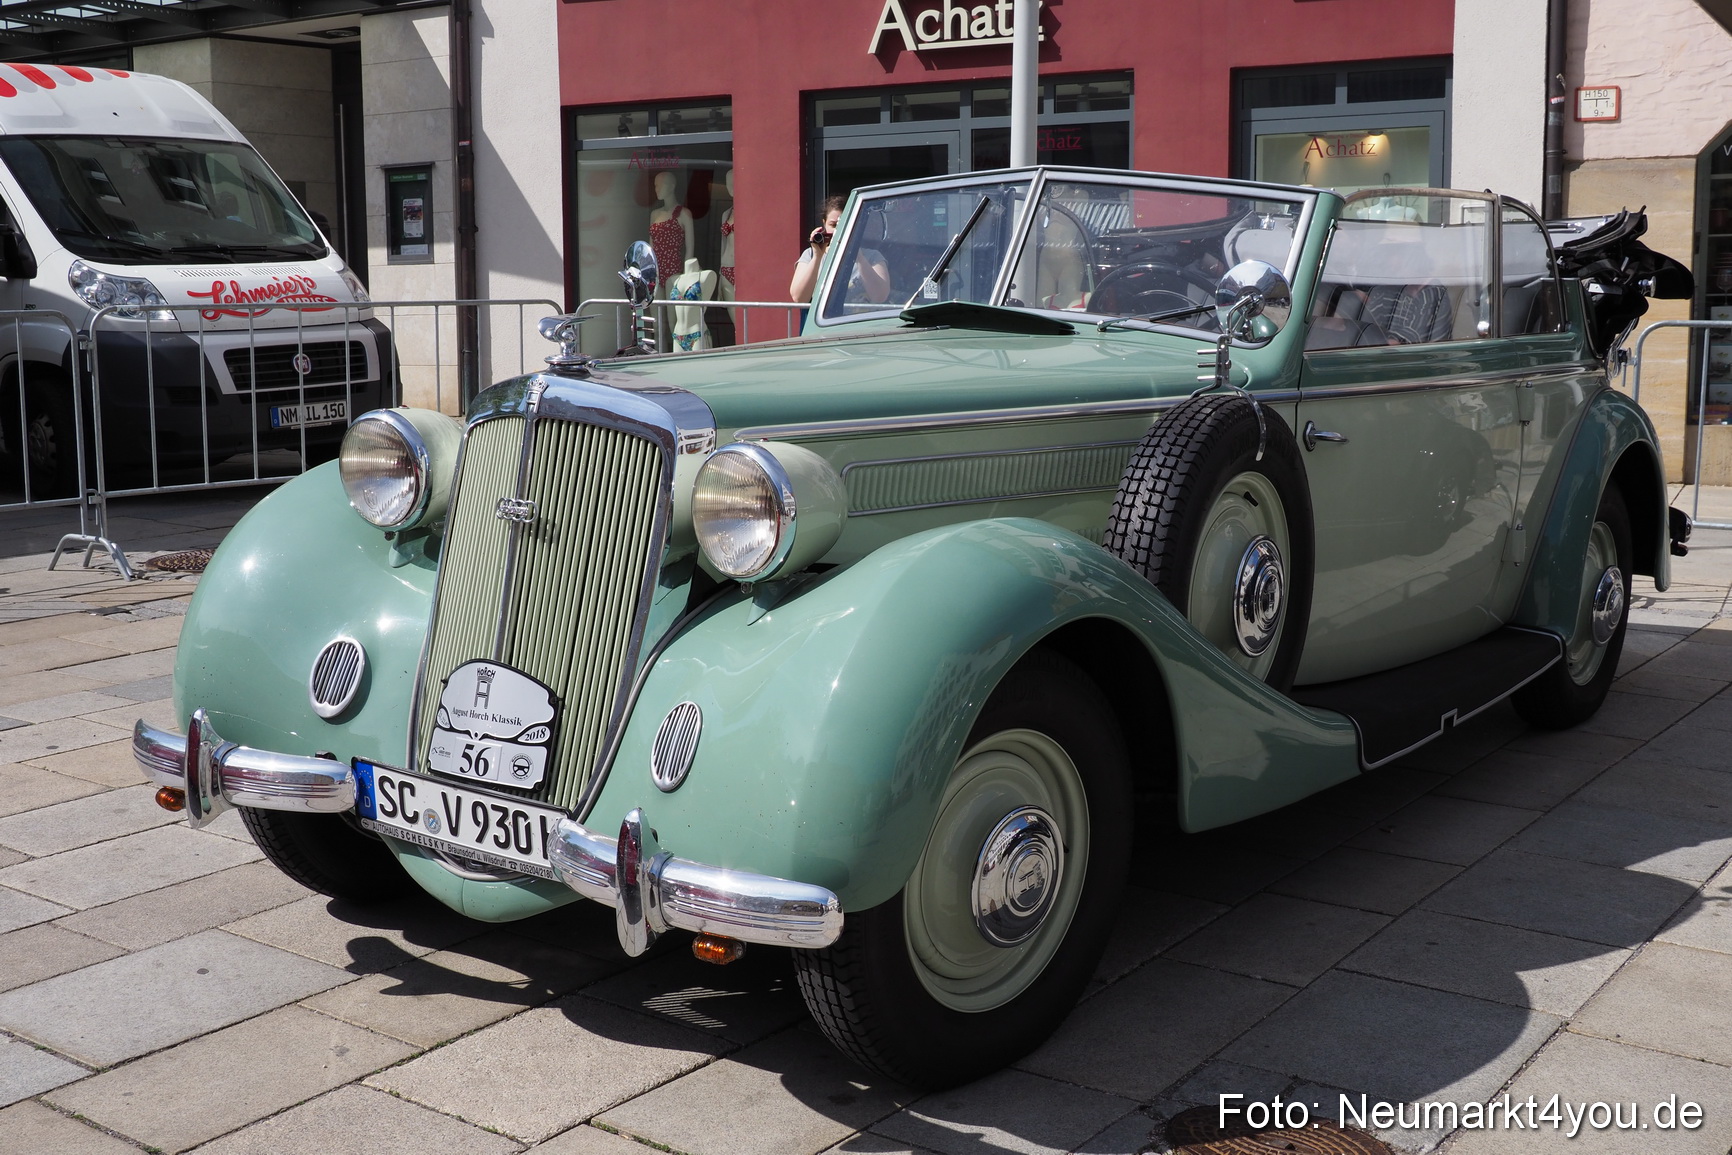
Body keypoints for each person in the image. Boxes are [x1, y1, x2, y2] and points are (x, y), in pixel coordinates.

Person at [790, 195, 890, 306]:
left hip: (859, 321)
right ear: (824, 223)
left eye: (844, 225)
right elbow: (799, 297)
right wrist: (817, 256)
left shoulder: (872, 256)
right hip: (825, 322)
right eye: (833, 225)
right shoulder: (810, 254)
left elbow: (880, 296)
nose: (838, 231)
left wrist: (858, 256)